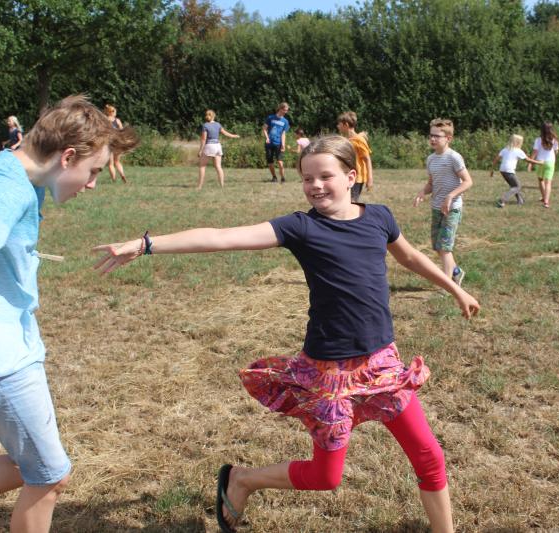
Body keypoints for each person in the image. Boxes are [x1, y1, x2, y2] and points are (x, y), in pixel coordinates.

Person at [92, 136, 480, 533]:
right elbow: (222, 237)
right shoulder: (302, 227)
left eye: (325, 176)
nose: (315, 185)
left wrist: (456, 289)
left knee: (429, 456)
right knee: (326, 477)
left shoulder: (379, 217)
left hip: (382, 364)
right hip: (330, 373)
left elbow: (410, 256)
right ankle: (243, 479)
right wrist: (147, 244)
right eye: (307, 179)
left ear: (351, 177)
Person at [0, 95, 139, 531]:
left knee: (29, 464)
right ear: (68, 157)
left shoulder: (12, 173)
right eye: (94, 171)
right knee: (49, 475)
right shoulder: (5, 190)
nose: (93, 184)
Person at [413, 118, 473, 287]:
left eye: (437, 136)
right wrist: (422, 192)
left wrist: (450, 196)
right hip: (436, 208)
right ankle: (456, 272)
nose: (432, 139)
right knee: (438, 247)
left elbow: (468, 181)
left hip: (452, 209)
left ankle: (447, 286)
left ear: (448, 138)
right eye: (431, 135)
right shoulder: (431, 159)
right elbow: (431, 183)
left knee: (445, 247)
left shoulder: (454, 157)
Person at [489, 134, 541, 208]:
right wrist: (539, 163)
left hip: (502, 170)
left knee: (513, 185)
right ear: (518, 142)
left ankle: (520, 200)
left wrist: (492, 170)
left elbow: (496, 159)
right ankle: (502, 200)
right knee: (517, 186)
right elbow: (528, 160)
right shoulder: (518, 151)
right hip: (509, 170)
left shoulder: (505, 149)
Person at [198, 109, 240, 190]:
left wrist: (200, 150)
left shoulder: (205, 125)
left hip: (209, 146)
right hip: (217, 146)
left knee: (202, 166)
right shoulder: (218, 124)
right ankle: (222, 185)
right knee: (218, 166)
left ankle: (199, 186)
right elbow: (226, 133)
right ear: (214, 116)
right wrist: (234, 136)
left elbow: (203, 139)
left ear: (206, 116)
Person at [336, 111, 374, 202]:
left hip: (357, 177)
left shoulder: (358, 140)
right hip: (348, 175)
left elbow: (367, 159)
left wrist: (370, 179)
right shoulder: (349, 140)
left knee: (352, 201)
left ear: (346, 125)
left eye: (339, 124)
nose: (337, 126)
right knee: (345, 200)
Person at [529, 122, 559, 208]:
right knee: (548, 183)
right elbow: (556, 151)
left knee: (540, 180)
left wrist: (531, 163)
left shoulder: (538, 140)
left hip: (540, 162)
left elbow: (535, 152)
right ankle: (546, 202)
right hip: (550, 162)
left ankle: (543, 197)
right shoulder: (555, 139)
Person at [99, 105, 128, 185]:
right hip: (117, 142)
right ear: (112, 112)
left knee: (111, 164)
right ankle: (122, 175)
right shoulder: (117, 120)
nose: (116, 113)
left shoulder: (104, 120)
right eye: (115, 112)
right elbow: (122, 131)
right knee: (117, 161)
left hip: (108, 143)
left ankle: (114, 180)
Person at [263, 102, 290, 183]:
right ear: (280, 109)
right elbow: (264, 129)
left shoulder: (285, 121)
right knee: (270, 162)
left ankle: (282, 178)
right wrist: (267, 138)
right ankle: (274, 177)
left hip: (278, 144)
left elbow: (283, 134)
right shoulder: (270, 118)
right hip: (269, 144)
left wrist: (283, 144)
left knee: (280, 162)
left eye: (287, 110)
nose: (286, 112)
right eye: (284, 110)